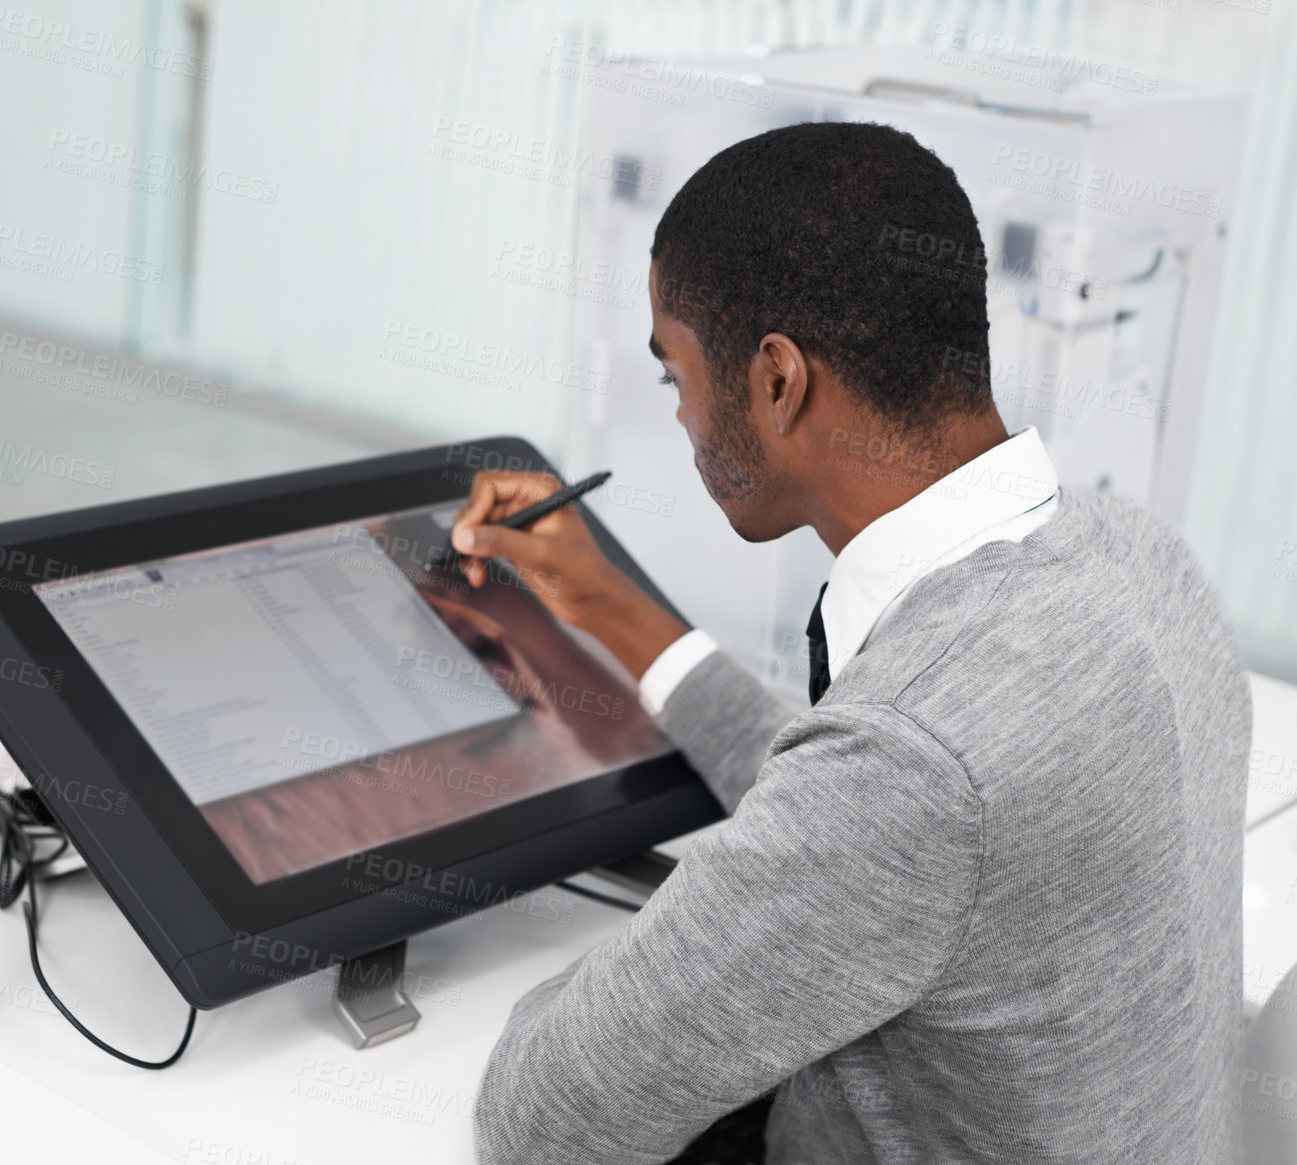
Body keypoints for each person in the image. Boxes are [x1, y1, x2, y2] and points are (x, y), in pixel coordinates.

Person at [458, 122, 1250, 1164]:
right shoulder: (1140, 560)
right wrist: (604, 602)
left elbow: (547, 1119)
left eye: (675, 377)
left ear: (777, 380)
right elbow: (862, 810)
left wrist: (675, 971)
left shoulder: (915, 770)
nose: (684, 419)